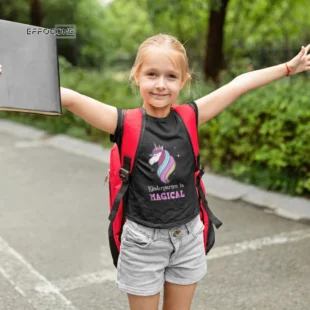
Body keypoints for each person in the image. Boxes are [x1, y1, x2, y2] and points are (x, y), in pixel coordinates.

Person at [0, 34, 309, 310]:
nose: (161, 84)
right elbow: (68, 97)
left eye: (171, 76)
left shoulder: (190, 117)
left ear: (184, 80)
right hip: (142, 242)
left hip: (188, 237)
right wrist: (10, 81)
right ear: (137, 77)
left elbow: (238, 84)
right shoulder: (123, 121)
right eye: (152, 74)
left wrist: (287, 68)